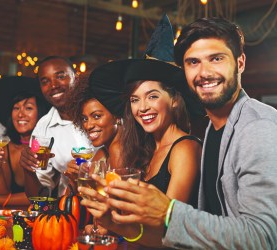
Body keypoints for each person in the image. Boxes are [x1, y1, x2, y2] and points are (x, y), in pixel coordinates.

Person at [85, 17, 277, 248]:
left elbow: (264, 238)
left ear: (240, 63)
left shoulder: (258, 128)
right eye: (193, 62)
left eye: (216, 59)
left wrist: (168, 212)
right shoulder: (214, 130)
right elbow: (192, 236)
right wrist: (116, 224)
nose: (204, 72)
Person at [80, 15, 203, 240]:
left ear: (174, 99)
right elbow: (135, 219)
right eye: (135, 100)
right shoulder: (146, 147)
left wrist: (114, 226)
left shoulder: (184, 149)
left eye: (152, 96)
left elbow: (171, 232)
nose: (142, 108)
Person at [19, 56, 93, 198]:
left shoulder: (98, 113)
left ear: (75, 78)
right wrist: (28, 169)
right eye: (45, 81)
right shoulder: (42, 131)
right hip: (73, 211)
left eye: (60, 76)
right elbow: (40, 195)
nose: (53, 85)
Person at [0, 76, 51, 207]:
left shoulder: (47, 148)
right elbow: (0, 194)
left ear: (41, 113)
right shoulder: (6, 148)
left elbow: (43, 197)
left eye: (28, 108)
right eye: (16, 108)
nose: (20, 114)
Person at [64, 74, 123, 194]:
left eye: (97, 116)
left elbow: (118, 207)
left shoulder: (119, 150)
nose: (88, 125)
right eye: (84, 119)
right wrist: (74, 179)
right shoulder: (102, 153)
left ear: (116, 115)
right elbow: (75, 202)